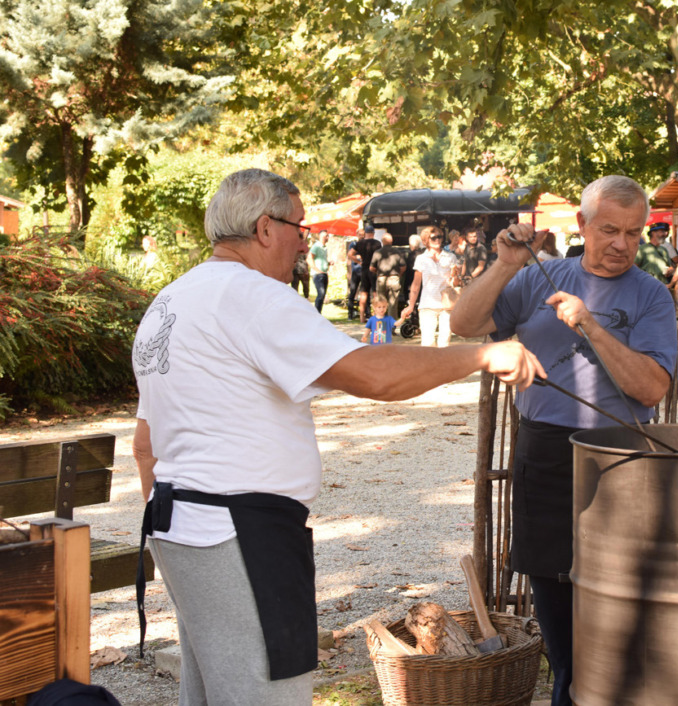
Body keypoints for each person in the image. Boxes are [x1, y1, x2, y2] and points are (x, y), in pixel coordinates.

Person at [130, 168, 543, 706]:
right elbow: (373, 374)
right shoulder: (250, 295)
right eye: (298, 227)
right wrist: (481, 354)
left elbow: (146, 444)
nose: (304, 240)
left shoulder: (172, 301)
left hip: (184, 527)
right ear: (264, 228)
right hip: (241, 534)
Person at [450, 175, 678, 706]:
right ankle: (568, 689)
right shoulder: (539, 275)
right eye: (609, 230)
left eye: (633, 232)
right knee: (555, 596)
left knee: (620, 605)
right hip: (546, 452)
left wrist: (593, 326)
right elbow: (465, 322)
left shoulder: (652, 296)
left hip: (621, 455)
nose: (622, 243)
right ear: (581, 225)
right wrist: (505, 263)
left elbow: (652, 387)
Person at [401, 225, 459, 348]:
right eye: (433, 238)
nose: (437, 240)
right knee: (428, 342)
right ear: (425, 241)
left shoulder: (450, 257)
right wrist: (411, 305)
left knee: (444, 341)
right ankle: (429, 367)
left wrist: (455, 276)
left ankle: (442, 367)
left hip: (447, 305)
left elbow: (455, 283)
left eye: (440, 237)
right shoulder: (421, 259)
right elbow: (416, 284)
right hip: (427, 303)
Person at [369, 233, 407, 319]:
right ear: (392, 241)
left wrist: (378, 273)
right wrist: (399, 275)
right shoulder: (397, 252)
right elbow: (403, 267)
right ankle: (391, 327)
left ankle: (381, 326)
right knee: (393, 304)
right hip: (394, 278)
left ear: (382, 242)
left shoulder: (377, 252)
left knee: (381, 304)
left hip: (381, 278)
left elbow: (371, 268)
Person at [354, 225, 381, 322]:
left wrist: (359, 262)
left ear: (365, 233)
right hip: (373, 270)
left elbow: (350, 254)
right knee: (375, 292)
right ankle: (376, 315)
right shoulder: (377, 243)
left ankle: (362, 317)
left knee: (364, 292)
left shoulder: (360, 243)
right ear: (373, 233)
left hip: (364, 269)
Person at [308, 231, 331, 313]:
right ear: (321, 237)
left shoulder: (324, 247)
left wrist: (328, 263)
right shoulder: (316, 246)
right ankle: (316, 313)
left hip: (324, 273)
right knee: (321, 293)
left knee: (323, 294)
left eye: (328, 236)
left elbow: (319, 259)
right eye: (326, 236)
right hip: (318, 274)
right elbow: (309, 258)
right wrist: (317, 270)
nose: (328, 237)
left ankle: (318, 313)